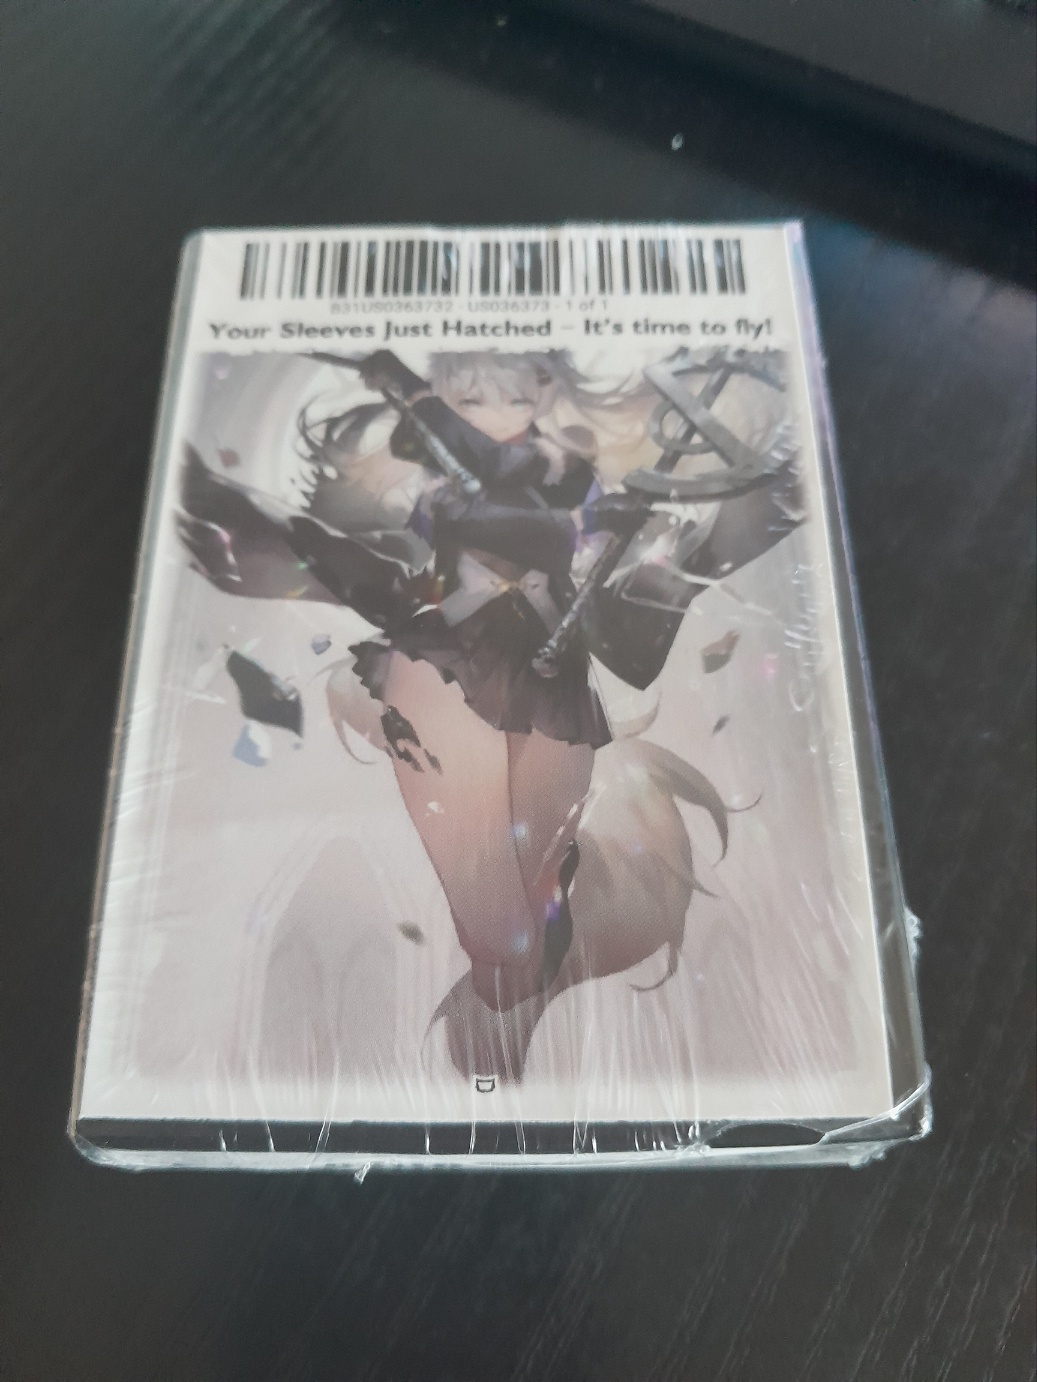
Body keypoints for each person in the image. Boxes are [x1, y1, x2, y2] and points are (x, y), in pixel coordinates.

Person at [178, 346, 801, 1018]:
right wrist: (407, 391)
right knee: (499, 936)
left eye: (513, 397)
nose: (494, 415)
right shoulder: (445, 478)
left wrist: (627, 529)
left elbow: (592, 557)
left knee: (532, 895)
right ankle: (505, 976)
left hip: (553, 683)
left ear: (544, 392)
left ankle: (534, 947)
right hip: (452, 665)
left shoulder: (567, 471)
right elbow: (480, 488)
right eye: (469, 399)